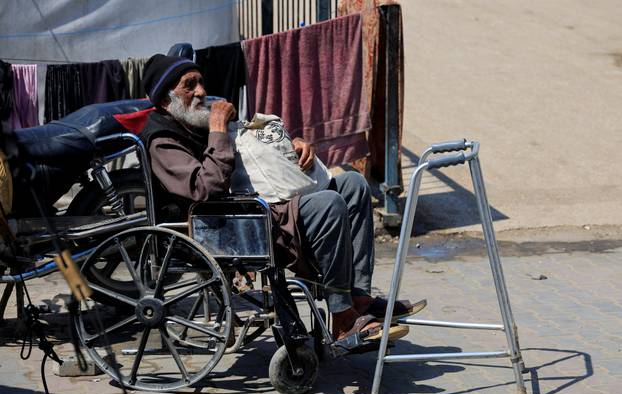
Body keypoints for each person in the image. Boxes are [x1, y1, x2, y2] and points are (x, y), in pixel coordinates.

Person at [140, 54, 425, 342]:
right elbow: (204, 190)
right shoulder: (163, 141)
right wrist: (217, 130)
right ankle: (341, 317)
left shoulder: (194, 120)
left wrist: (291, 147)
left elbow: (252, 150)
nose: (201, 91)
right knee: (328, 204)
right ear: (167, 100)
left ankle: (359, 297)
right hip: (222, 226)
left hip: (252, 207)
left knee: (353, 184)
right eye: (190, 85)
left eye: (201, 82)